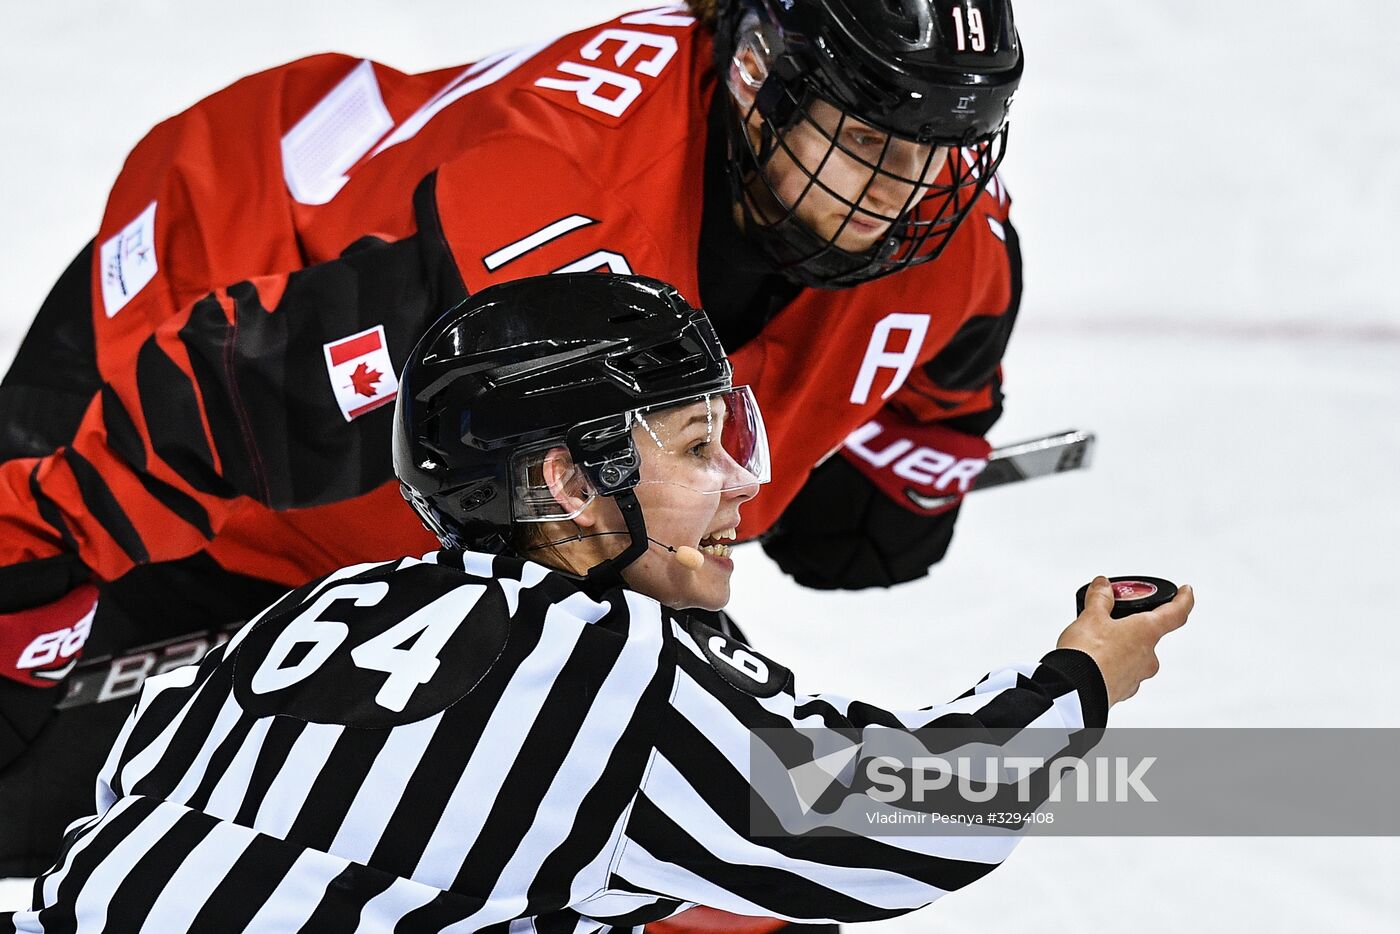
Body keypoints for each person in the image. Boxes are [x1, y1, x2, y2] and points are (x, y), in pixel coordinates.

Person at [0, 0, 1026, 877]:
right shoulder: (550, 212)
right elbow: (237, 401)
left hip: (447, 512)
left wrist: (880, 491)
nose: (905, 188)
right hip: (205, 313)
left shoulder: (955, 249)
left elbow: (913, 441)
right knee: (42, 811)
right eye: (868, 139)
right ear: (756, 78)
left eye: (943, 146)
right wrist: (26, 567)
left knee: (695, 841)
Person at [2, 274, 1193, 932]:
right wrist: (1080, 670)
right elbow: (905, 819)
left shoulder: (312, 608)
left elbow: (134, 814)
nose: (739, 480)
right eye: (692, 446)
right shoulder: (611, 667)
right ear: (568, 481)